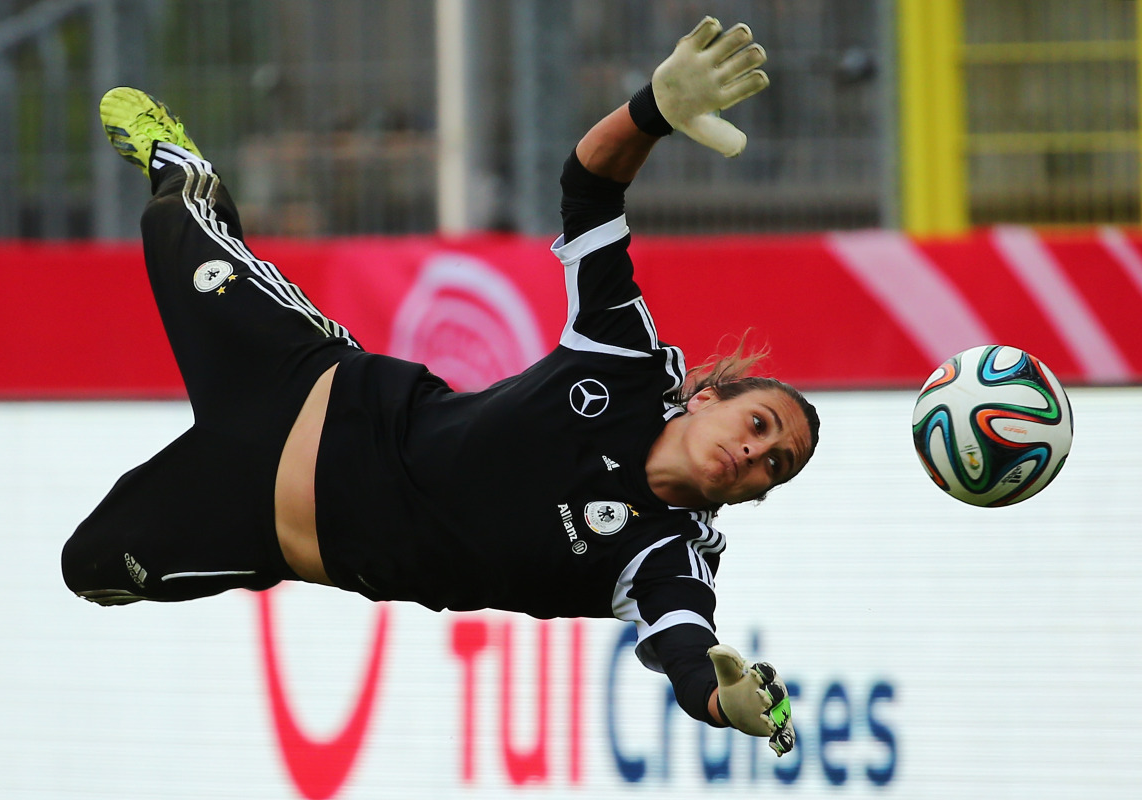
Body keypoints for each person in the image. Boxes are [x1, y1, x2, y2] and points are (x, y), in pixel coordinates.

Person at [63, 16, 818, 756]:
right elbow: (589, 189)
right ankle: (183, 164)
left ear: (758, 494)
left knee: (88, 569)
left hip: (262, 529)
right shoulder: (626, 360)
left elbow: (687, 652)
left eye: (776, 466)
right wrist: (653, 110)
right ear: (709, 397)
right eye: (760, 424)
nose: (756, 454)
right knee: (174, 219)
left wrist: (723, 702)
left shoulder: (666, 559)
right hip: (303, 384)